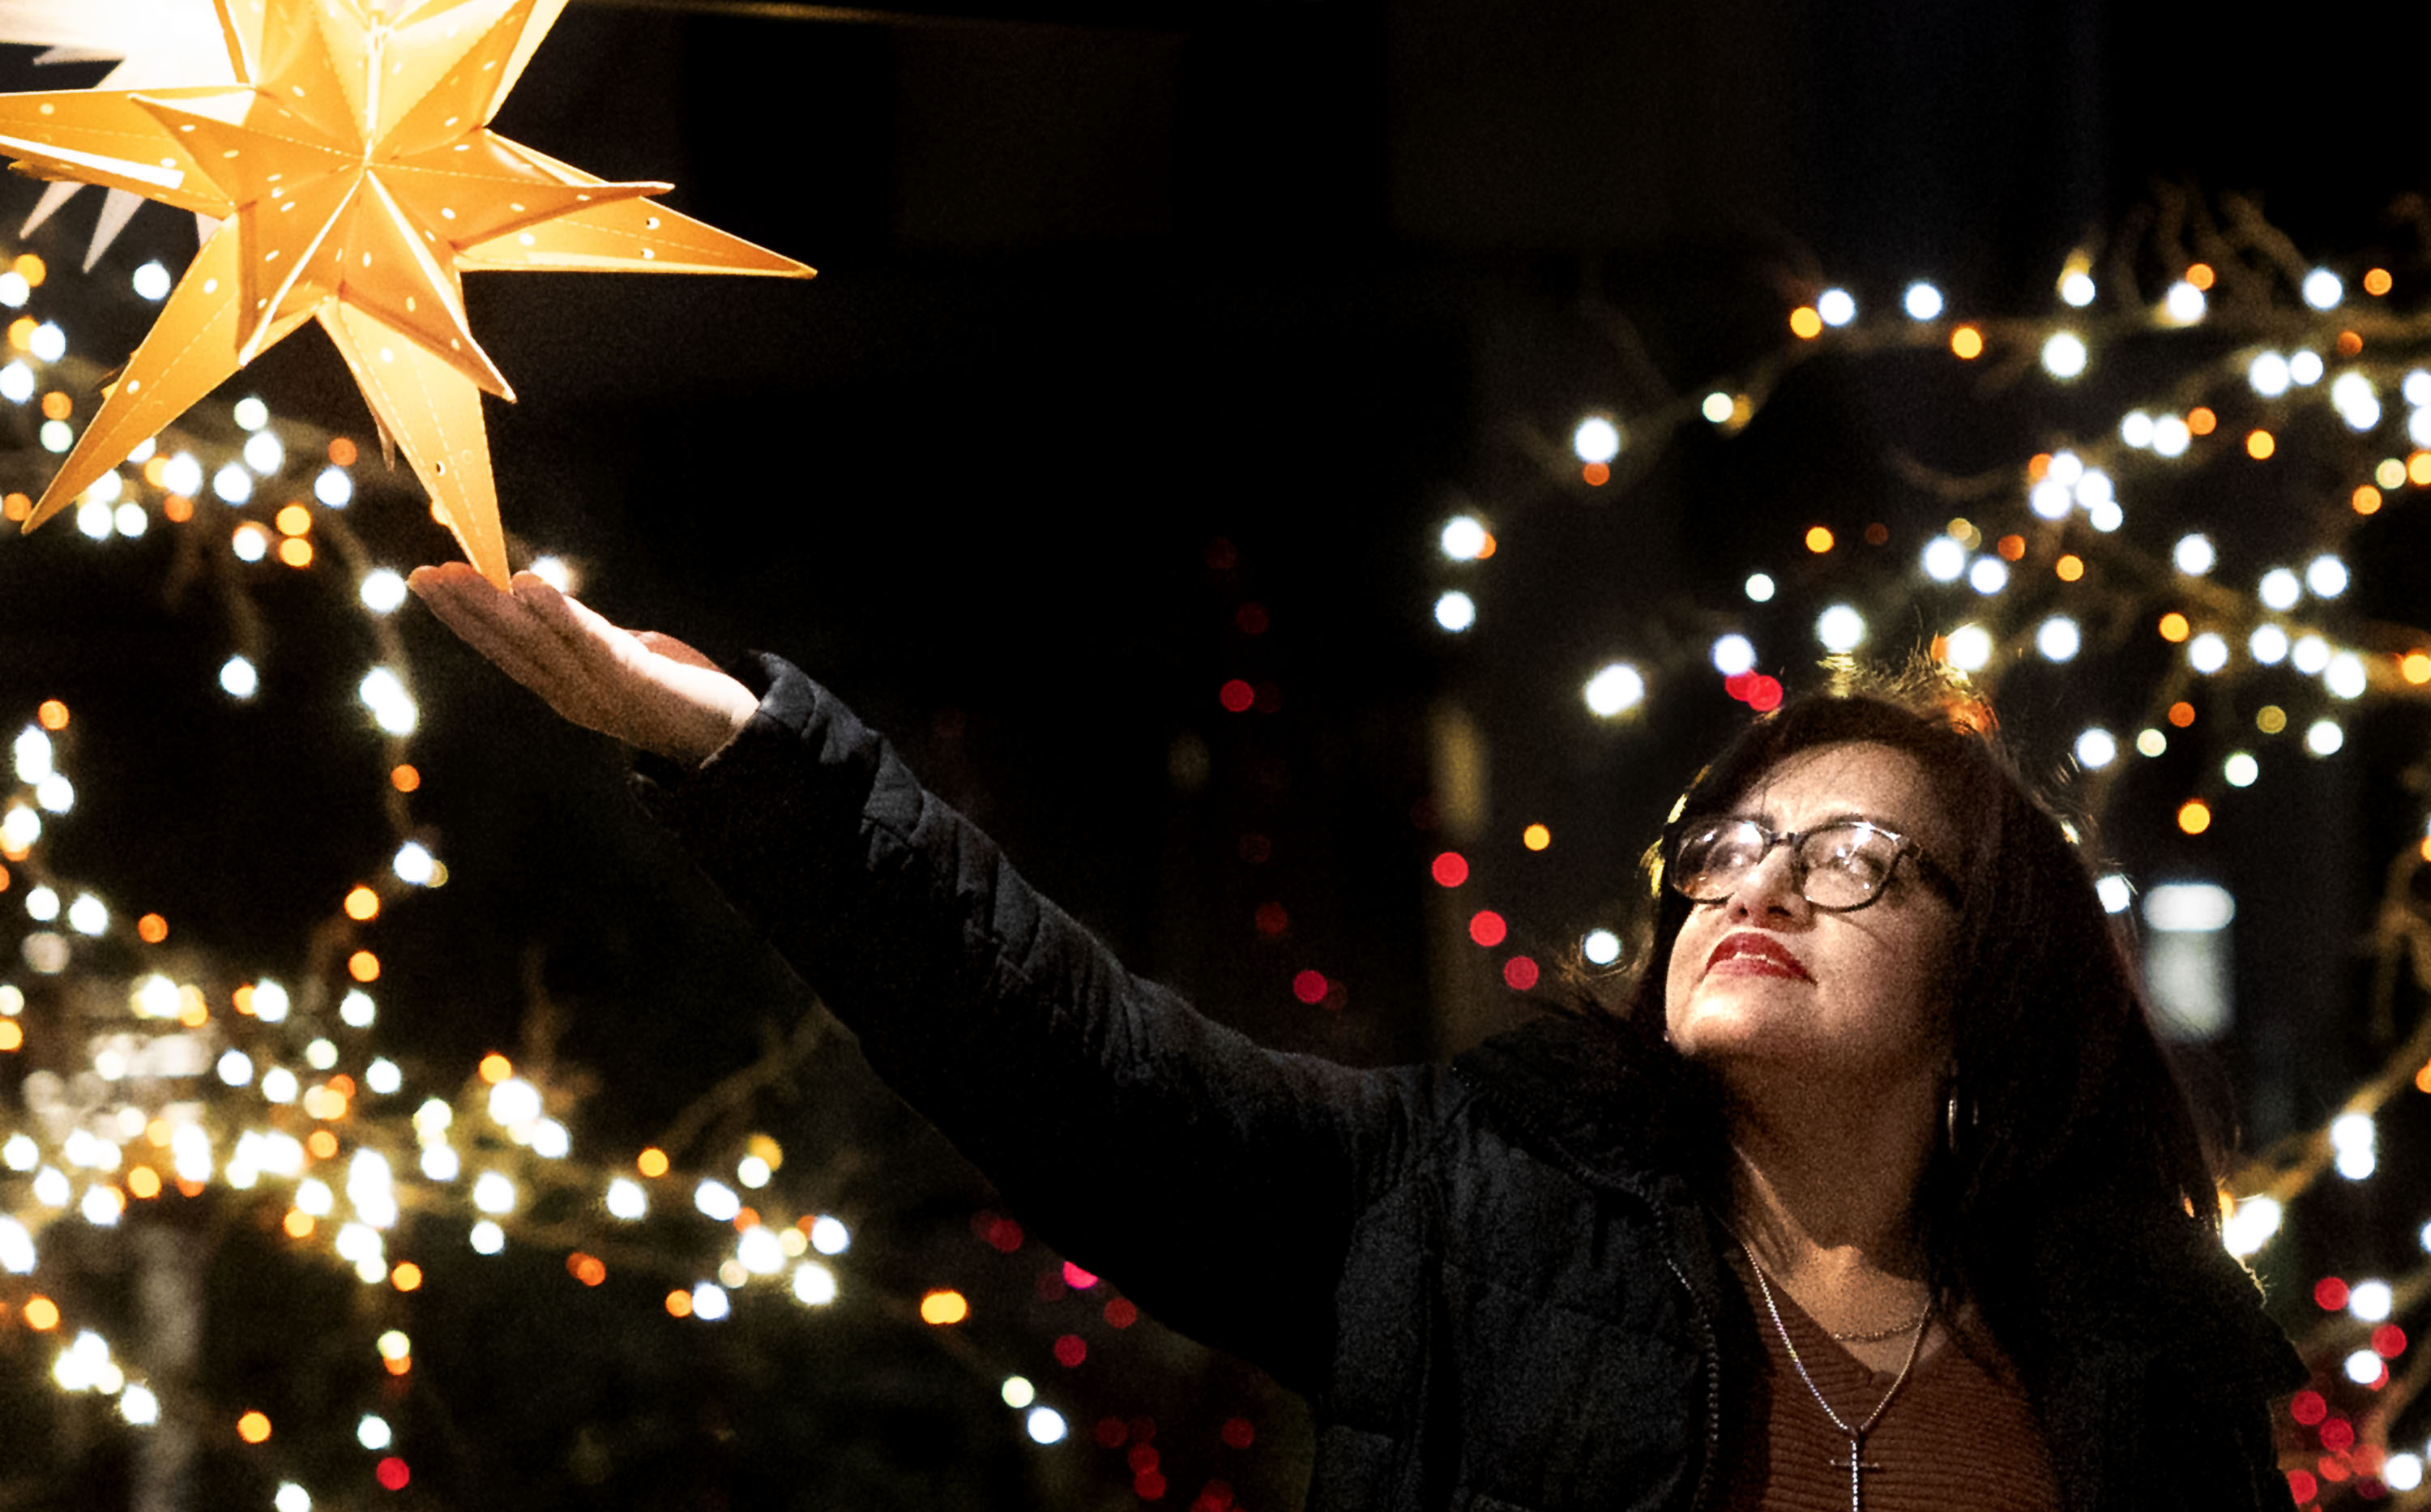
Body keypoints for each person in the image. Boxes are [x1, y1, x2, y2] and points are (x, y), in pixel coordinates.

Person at [408, 564, 2303, 1512]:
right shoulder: (1468, 1205)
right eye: (1725, 846)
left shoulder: (2136, 1348)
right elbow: (1078, 1061)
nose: (1760, 885)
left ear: (1992, 970)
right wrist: (750, 758)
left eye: (1856, 858)